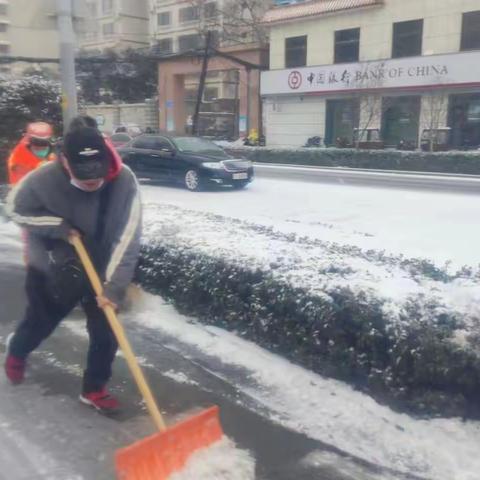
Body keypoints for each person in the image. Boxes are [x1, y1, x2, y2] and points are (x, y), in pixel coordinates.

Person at [4, 123, 142, 413]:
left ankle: (94, 389)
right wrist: (58, 227)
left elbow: (127, 237)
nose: (92, 183)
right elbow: (14, 208)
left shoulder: (125, 182)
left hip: (101, 266)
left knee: (106, 331)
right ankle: (18, 350)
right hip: (54, 263)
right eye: (83, 179)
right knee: (42, 320)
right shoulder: (43, 178)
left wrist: (113, 288)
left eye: (97, 177)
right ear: (65, 161)